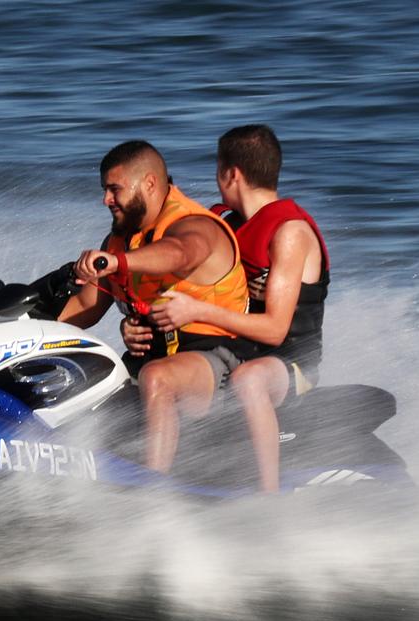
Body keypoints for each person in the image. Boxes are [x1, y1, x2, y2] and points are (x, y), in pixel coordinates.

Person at [126, 125, 329, 494]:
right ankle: (154, 485)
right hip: (229, 350)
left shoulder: (290, 233)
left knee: (248, 380)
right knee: (152, 374)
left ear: (230, 173)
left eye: (217, 169)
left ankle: (269, 497)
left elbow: (275, 331)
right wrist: (134, 322)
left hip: (290, 361)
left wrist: (196, 312)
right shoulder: (223, 224)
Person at [62, 140, 254, 474]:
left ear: (150, 183)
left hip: (220, 362)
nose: (106, 200)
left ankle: (152, 497)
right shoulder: (123, 239)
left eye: (114, 189)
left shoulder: (196, 226)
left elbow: (180, 252)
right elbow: (84, 307)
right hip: (158, 357)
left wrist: (115, 261)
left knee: (157, 379)